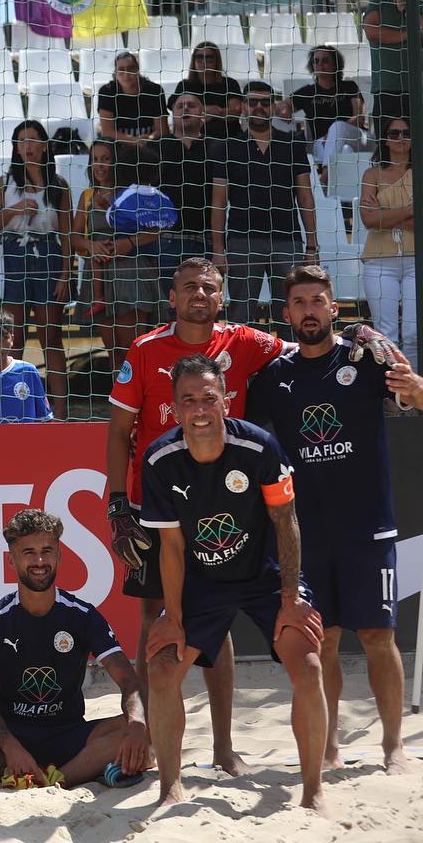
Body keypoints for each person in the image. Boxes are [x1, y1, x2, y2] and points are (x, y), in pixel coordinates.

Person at [105, 257, 286, 776]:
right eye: (188, 288)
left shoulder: (245, 342)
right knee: (154, 619)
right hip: (154, 503)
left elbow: (303, 347)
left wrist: (354, 330)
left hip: (225, 505)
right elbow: (119, 433)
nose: (198, 296)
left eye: (208, 288)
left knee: (216, 618)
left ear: (221, 298)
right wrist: (118, 505)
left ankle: (223, 746)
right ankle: (155, 740)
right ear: (172, 297)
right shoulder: (144, 351)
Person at [245, 265, 423, 774]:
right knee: (323, 641)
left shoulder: (365, 360)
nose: (308, 310)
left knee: (378, 637)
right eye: (298, 303)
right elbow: (245, 436)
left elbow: (415, 396)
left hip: (369, 527)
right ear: (286, 315)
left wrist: (412, 382)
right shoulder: (276, 377)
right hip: (306, 535)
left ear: (334, 309)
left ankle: (393, 747)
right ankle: (327, 749)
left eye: (317, 301)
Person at [140, 354, 328, 812]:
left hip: (265, 576)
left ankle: (313, 790)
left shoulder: (260, 447)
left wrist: (290, 598)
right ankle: (170, 787)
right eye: (189, 401)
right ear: (175, 407)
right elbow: (172, 548)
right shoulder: (160, 459)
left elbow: (287, 523)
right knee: (162, 668)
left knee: (308, 665)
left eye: (209, 398)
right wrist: (173, 616)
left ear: (226, 401)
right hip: (202, 582)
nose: (200, 409)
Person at [0, 509, 148, 790]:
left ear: (59, 555)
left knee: (149, 729)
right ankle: (64, 772)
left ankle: (49, 781)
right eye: (28, 552)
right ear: (11, 560)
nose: (39, 561)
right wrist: (12, 747)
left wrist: (137, 723)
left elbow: (129, 680)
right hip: (11, 736)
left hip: (69, 735)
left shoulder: (83, 615)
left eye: (47, 551)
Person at [0, 120, 73, 415]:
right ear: (15, 148)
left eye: (33, 140)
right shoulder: (5, 183)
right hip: (14, 258)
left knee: (51, 336)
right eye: (21, 141)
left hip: (48, 256)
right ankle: (11, 406)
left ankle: (60, 411)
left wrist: (65, 274)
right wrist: (16, 210)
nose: (28, 146)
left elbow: (68, 233)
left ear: (45, 146)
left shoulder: (58, 185)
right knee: (13, 336)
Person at [210, 80, 318, 329]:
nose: (259, 107)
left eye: (265, 102)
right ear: (244, 107)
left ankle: (293, 368)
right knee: (239, 316)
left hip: (287, 240)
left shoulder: (293, 144)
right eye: (252, 102)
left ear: (274, 106)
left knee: (291, 314)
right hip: (242, 241)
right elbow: (218, 203)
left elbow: (305, 197)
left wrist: (311, 246)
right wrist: (218, 249)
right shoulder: (227, 148)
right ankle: (240, 367)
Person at [70, 141, 164, 369]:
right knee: (114, 352)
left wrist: (128, 243)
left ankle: (141, 401)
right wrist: (91, 246)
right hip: (98, 275)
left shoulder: (133, 193)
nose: (99, 165)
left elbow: (157, 229)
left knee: (134, 349)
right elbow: (73, 237)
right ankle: (119, 401)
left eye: (106, 159)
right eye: (95, 159)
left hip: (130, 274)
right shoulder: (87, 196)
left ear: (117, 162)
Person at [358, 118, 417, 365]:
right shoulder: (372, 173)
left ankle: (414, 391)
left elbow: (377, 218)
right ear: (385, 139)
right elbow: (368, 220)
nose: (401, 138)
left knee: (415, 334)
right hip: (380, 261)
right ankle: (391, 395)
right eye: (394, 133)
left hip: (416, 259)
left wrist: (384, 213)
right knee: (386, 334)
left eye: (406, 133)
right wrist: (410, 210)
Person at [156, 92, 215, 276]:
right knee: (167, 303)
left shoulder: (218, 147)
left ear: (202, 113)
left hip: (206, 241)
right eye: (180, 106)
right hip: (165, 242)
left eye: (191, 105)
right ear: (172, 114)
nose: (186, 108)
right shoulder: (155, 148)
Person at [285, 44, 368, 165]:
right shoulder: (307, 92)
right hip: (320, 142)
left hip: (355, 136)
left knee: (337, 126)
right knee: (345, 152)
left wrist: (332, 134)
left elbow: (359, 117)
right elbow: (282, 106)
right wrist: (285, 110)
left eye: (325, 61)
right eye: (316, 61)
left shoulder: (349, 87)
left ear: (335, 65)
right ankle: (329, 180)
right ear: (312, 65)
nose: (319, 64)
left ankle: (323, 177)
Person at [363, 0, 415, 131]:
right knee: (386, 145)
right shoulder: (378, 4)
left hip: (416, 88)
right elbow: (371, 32)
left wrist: (407, 11)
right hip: (386, 89)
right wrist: (408, 34)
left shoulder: (419, 6)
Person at [171, 41, 243, 137]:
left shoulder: (229, 84)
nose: (204, 62)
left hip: (226, 137)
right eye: (199, 57)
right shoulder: (184, 85)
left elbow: (236, 111)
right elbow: (176, 109)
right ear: (193, 61)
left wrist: (217, 111)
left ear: (217, 61)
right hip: (191, 138)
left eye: (209, 58)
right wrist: (208, 110)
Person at [95, 51, 168, 143]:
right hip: (118, 145)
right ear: (116, 73)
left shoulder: (154, 90)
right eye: (121, 69)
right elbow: (107, 132)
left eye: (131, 68)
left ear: (137, 70)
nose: (126, 74)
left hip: (150, 144)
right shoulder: (107, 92)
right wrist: (134, 140)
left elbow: (163, 131)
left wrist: (150, 138)